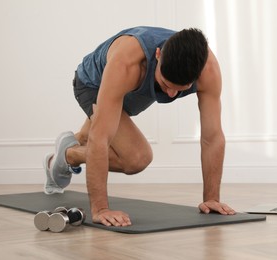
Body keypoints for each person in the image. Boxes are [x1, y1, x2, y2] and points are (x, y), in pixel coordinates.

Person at [43, 26, 236, 227]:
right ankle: (68, 155)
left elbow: (212, 137)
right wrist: (100, 209)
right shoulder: (127, 63)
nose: (170, 95)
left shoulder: (209, 69)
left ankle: (75, 143)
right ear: (158, 55)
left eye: (180, 89)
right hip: (94, 84)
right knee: (136, 158)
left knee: (87, 136)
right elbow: (100, 139)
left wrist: (212, 198)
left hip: (138, 88)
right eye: (167, 84)